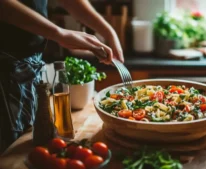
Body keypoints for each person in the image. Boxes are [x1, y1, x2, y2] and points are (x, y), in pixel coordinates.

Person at [0, 0, 124, 152]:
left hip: (29, 64)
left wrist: (108, 31)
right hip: (5, 67)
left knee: (25, 145)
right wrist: (59, 33)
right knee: (9, 151)